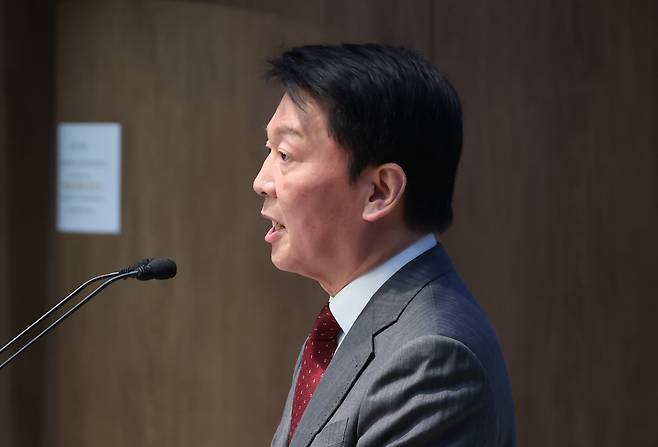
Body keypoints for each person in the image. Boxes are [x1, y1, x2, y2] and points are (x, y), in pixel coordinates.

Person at [253, 44, 516, 447]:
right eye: (269, 150)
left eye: (286, 154)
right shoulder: (338, 329)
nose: (262, 181)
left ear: (380, 191)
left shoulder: (432, 358)